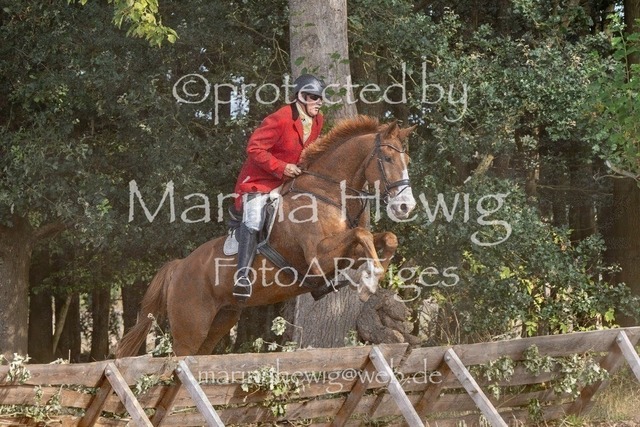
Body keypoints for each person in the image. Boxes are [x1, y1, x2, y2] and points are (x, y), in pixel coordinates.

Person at [231, 74, 326, 301]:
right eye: (315, 98)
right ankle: (242, 277)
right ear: (301, 96)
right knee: (254, 218)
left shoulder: (317, 120)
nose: (319, 103)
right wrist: (282, 167)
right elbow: (254, 149)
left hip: (289, 182)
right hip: (260, 181)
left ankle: (317, 279)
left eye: (320, 98)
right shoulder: (281, 118)